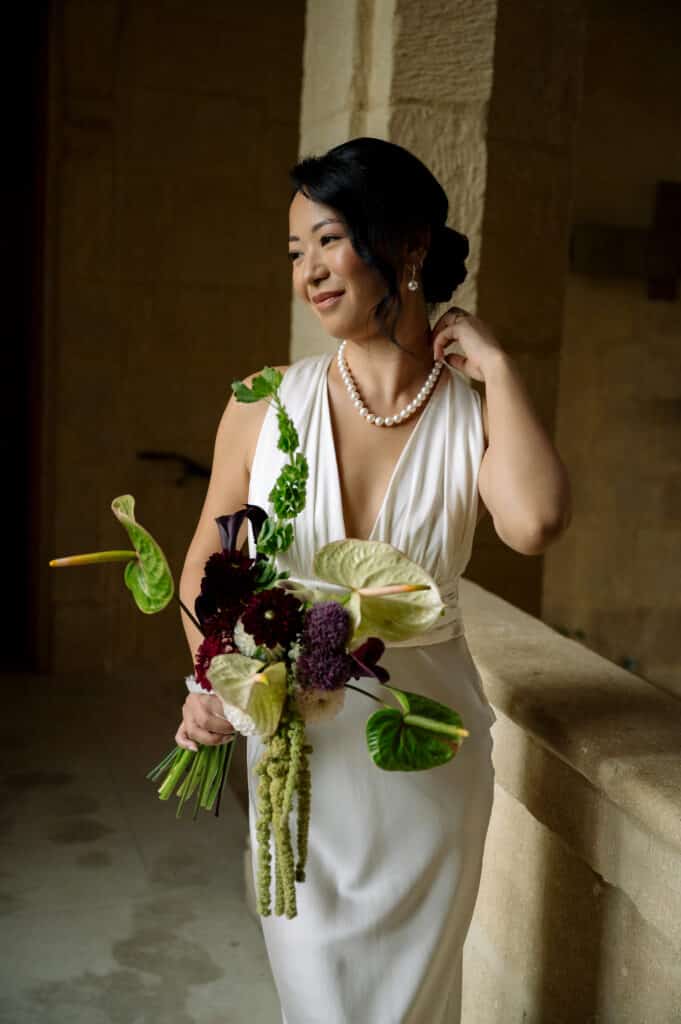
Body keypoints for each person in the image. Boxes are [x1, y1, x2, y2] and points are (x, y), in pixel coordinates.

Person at [175, 137, 572, 1023]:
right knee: (317, 996)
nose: (309, 271)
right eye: (295, 252)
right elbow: (206, 560)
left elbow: (535, 523)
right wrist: (212, 677)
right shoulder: (261, 402)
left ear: (408, 244)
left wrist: (500, 370)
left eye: (329, 239)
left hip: (424, 753)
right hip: (295, 750)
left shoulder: (472, 414)